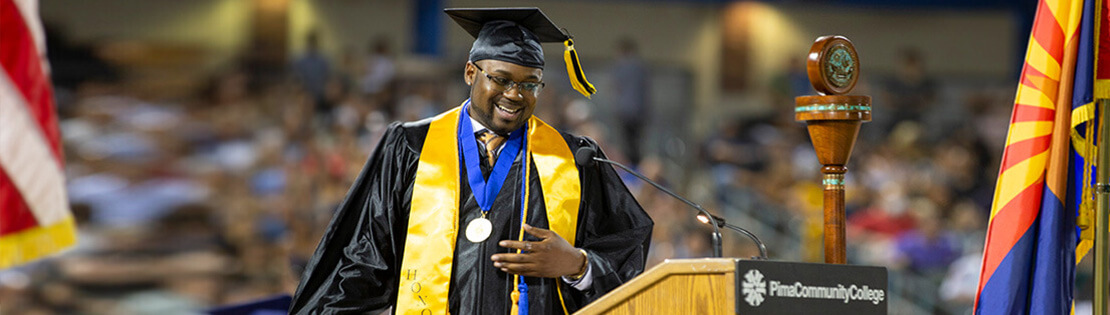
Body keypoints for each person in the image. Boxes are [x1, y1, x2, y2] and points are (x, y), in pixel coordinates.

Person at [290, 7, 654, 314]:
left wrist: (578, 265)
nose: (515, 94)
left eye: (531, 84)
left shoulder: (572, 158)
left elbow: (628, 246)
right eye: (501, 79)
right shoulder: (410, 146)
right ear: (470, 73)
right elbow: (363, 255)